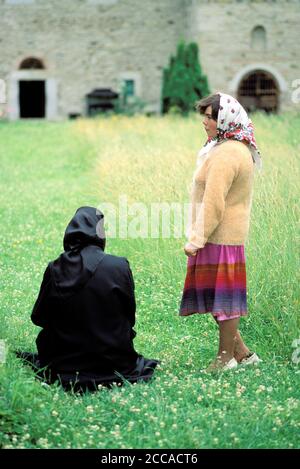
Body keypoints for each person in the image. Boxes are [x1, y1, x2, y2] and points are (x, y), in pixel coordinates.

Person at [17, 206, 159, 391]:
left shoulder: (55, 268)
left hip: (64, 361)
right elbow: (129, 316)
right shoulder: (119, 265)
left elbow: (39, 317)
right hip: (112, 359)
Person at [179, 92, 262, 372]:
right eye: (203, 115)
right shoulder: (227, 146)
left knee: (225, 303)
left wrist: (196, 239)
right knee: (219, 299)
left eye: (210, 117)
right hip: (219, 235)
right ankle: (244, 354)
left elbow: (214, 203)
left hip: (220, 236)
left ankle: (224, 358)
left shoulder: (227, 153)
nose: (204, 121)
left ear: (225, 119)